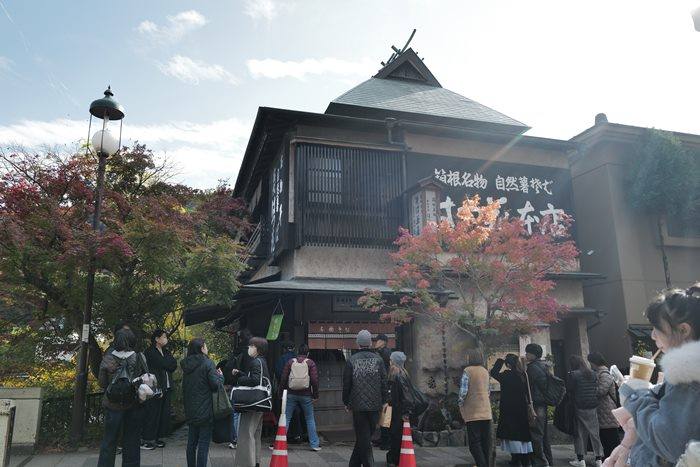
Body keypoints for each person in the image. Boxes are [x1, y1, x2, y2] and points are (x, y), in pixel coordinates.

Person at [619, 284, 700, 466]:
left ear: (683, 330)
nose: (653, 335)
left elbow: (669, 442)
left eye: (657, 328)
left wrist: (636, 396)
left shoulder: (687, 375)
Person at [97, 328, 147, 467]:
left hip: (112, 405)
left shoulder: (108, 359)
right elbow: (145, 379)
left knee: (109, 440)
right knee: (132, 440)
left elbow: (102, 383)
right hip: (133, 403)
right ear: (132, 340)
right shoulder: (139, 357)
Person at [343, 329, 389, 467]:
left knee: (363, 436)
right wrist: (385, 400)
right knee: (366, 435)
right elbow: (384, 382)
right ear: (370, 343)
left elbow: (347, 384)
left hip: (358, 405)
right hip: (375, 404)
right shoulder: (379, 360)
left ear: (358, 343)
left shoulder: (351, 360)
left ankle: (365, 464)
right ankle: (355, 464)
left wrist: (346, 401)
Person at [181, 337, 224, 467]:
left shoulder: (186, 365)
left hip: (191, 409)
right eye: (205, 346)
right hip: (205, 410)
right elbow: (215, 385)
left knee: (191, 443)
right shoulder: (208, 363)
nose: (207, 348)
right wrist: (220, 376)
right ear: (201, 348)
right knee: (203, 444)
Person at [232, 337, 271, 467]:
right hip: (260, 402)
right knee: (255, 433)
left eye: (251, 346)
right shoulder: (262, 361)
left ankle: (247, 463)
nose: (249, 348)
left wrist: (240, 379)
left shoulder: (256, 362)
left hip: (252, 404)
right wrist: (241, 374)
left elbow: (254, 381)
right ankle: (256, 461)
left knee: (246, 434)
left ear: (257, 348)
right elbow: (257, 378)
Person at [490, 354, 533, 466]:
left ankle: (516, 460)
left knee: (513, 436)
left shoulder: (506, 375)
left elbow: (493, 373)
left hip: (509, 409)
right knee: (522, 435)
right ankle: (524, 461)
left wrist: (501, 360)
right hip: (521, 408)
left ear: (508, 365)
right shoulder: (523, 375)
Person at [281, 343, 321, 451]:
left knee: (286, 418)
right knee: (310, 419)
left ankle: (280, 442)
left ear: (297, 352)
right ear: (307, 353)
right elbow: (314, 380)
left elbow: (284, 378)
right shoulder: (310, 363)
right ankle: (314, 444)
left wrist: (282, 393)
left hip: (291, 394)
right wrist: (315, 395)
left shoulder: (290, 362)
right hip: (306, 395)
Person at [141, 329, 177, 450]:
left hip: (167, 386)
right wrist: (167, 363)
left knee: (163, 414)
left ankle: (157, 437)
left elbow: (173, 365)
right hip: (155, 387)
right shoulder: (150, 352)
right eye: (164, 337)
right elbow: (164, 363)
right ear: (157, 339)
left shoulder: (166, 351)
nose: (166, 339)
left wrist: (167, 363)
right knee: (152, 414)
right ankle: (147, 439)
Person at [566, 355, 604, 467]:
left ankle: (581, 459)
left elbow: (570, 390)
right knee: (594, 433)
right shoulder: (593, 373)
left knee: (579, 433)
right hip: (592, 406)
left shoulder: (573, 375)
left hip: (579, 406)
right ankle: (599, 459)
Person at [458, 348, 493, 467]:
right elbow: (488, 390)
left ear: (470, 358)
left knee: (474, 443)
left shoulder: (468, 371)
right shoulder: (485, 371)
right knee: (485, 442)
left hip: (473, 411)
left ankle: (481, 464)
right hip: (486, 410)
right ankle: (486, 464)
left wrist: (460, 404)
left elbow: (463, 391)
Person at [587, 352, 620, 458]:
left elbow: (601, 391)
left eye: (590, 362)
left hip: (607, 411)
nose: (590, 365)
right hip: (602, 412)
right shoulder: (598, 373)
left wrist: (588, 389)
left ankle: (616, 461)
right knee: (605, 440)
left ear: (594, 362)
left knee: (611, 439)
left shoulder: (605, 374)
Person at [224, 328, 253, 449]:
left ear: (240, 339)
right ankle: (243, 438)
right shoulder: (251, 354)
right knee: (246, 412)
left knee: (235, 412)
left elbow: (228, 367)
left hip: (236, 384)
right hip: (247, 384)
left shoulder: (237, 351)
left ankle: (234, 439)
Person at [525, 343, 553, 467]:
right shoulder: (543, 366)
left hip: (536, 404)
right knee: (544, 435)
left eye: (527, 352)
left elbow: (528, 387)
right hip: (543, 404)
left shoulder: (532, 368)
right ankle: (548, 461)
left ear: (533, 354)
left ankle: (541, 462)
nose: (526, 355)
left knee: (536, 434)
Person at [385, 351, 413, 467]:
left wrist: (406, 412)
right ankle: (394, 457)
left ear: (394, 362)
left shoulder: (398, 375)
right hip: (396, 409)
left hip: (398, 410)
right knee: (396, 435)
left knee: (396, 435)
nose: (389, 361)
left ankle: (394, 458)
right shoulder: (401, 373)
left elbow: (406, 396)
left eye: (391, 360)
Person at [373, 334, 392, 450]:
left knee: (386, 415)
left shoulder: (385, 353)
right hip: (383, 387)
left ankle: (386, 441)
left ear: (383, 342)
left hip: (386, 388)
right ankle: (383, 438)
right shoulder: (382, 352)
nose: (376, 342)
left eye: (378, 340)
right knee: (383, 415)